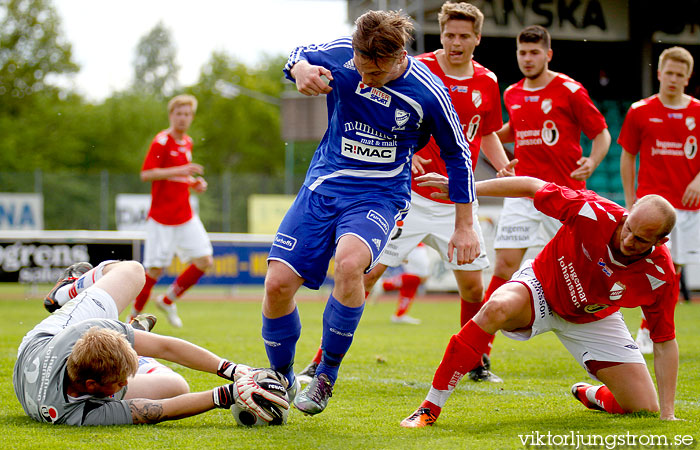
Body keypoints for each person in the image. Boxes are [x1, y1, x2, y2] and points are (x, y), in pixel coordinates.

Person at [266, 9, 480, 416]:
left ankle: (325, 374)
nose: (364, 81)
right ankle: (280, 378)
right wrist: (300, 71)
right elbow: (298, 54)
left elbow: (458, 156)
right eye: (360, 70)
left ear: (399, 56)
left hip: (379, 195)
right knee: (276, 284)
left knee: (349, 266)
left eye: (375, 75)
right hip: (323, 185)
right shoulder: (343, 53)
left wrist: (464, 225)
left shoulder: (429, 92)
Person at [400, 174, 680, 427]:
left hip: (594, 318)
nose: (627, 239)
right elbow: (530, 186)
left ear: (661, 240)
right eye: (628, 227)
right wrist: (466, 188)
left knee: (643, 406)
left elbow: (664, 341)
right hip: (542, 287)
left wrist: (668, 413)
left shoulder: (661, 275)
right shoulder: (591, 210)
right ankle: (429, 408)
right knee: (495, 309)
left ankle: (591, 393)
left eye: (640, 239)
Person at [14, 260, 289, 425]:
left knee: (132, 271)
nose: (127, 381)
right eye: (121, 380)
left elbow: (164, 346)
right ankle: (132, 334)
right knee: (176, 387)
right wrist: (229, 393)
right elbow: (163, 410)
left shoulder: (84, 332)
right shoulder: (79, 414)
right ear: (91, 387)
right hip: (57, 357)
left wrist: (231, 370)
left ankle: (68, 290)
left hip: (50, 336)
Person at [487, 25, 611, 321]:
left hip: (564, 196)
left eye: (534, 53)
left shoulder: (570, 90)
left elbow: (601, 134)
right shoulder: (512, 93)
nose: (527, 59)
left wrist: (593, 161)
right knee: (504, 265)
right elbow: (510, 131)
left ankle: (604, 325)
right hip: (522, 192)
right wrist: (479, 131)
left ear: (548, 54)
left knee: (580, 269)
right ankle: (481, 350)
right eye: (522, 53)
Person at [618, 46, 700, 353]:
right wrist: (630, 201)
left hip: (689, 208)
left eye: (681, 74)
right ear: (659, 73)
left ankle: (649, 331)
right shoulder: (640, 110)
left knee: (674, 269)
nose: (674, 79)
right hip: (652, 208)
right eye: (670, 73)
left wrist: (698, 179)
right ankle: (639, 329)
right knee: (648, 268)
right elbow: (627, 156)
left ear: (688, 77)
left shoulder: (698, 111)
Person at [129, 94, 214, 328]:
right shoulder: (162, 141)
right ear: (171, 115)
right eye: (179, 114)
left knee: (205, 260)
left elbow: (179, 176)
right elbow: (147, 174)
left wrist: (194, 183)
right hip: (162, 217)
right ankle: (131, 320)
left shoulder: (187, 142)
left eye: (187, 114)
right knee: (154, 270)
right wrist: (182, 170)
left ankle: (168, 300)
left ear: (191, 117)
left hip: (184, 214)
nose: (183, 118)